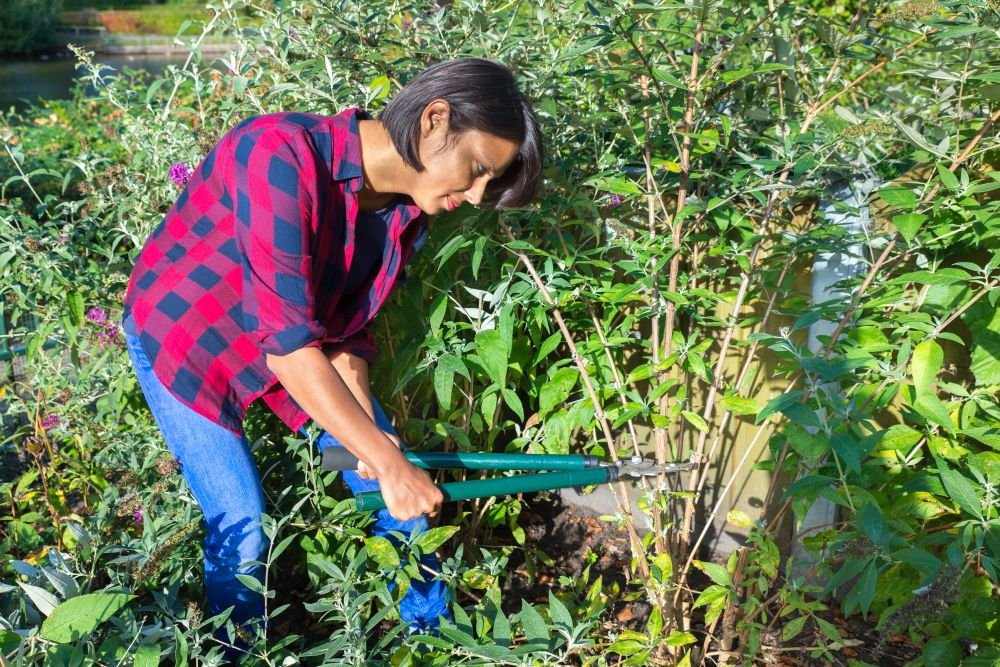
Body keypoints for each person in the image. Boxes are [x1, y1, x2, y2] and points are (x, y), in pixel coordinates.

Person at [119, 56, 543, 655]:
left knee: (399, 496)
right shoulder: (277, 154)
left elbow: (343, 335)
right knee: (242, 533)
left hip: (289, 343)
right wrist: (383, 458)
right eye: (476, 169)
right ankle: (241, 654)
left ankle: (436, 642)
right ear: (434, 119)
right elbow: (291, 349)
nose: (475, 197)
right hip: (187, 336)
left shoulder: (404, 212)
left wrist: (376, 444)